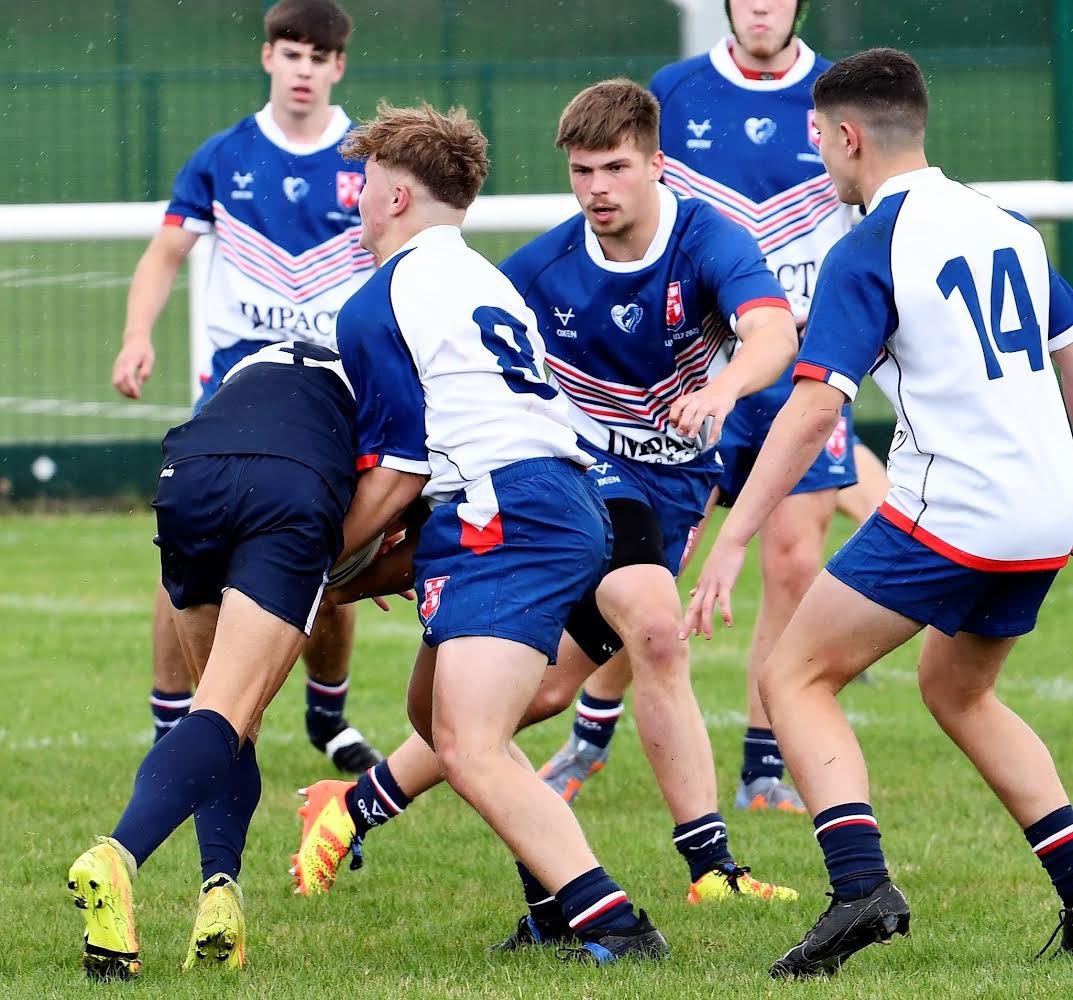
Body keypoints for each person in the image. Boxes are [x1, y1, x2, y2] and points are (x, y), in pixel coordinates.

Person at [290, 80, 800, 951]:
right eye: (581, 171)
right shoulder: (525, 268)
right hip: (576, 477)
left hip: (622, 493)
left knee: (506, 712)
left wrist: (723, 391)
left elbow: (775, 334)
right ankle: (677, 876)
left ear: (657, 165)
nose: (597, 187)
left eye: (615, 168)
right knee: (622, 643)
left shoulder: (707, 240)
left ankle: (377, 813)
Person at [684, 47, 1073, 977]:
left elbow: (814, 407)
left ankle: (859, 888)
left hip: (957, 508)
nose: (819, 156)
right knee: (957, 690)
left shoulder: (870, 245)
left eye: (820, 139)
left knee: (792, 677)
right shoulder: (1009, 226)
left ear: (848, 136)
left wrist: (733, 536)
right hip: (1044, 508)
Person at [538, 0, 889, 814]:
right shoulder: (677, 89)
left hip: (806, 358)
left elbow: (873, 209)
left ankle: (763, 765)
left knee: (793, 561)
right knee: (651, 568)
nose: (761, 4)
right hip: (692, 364)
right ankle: (591, 731)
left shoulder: (839, 94)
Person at [111, 0, 381, 771]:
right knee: (183, 550)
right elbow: (165, 253)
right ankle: (172, 725)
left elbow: (398, 266)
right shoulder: (224, 155)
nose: (303, 70)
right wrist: (136, 335)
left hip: (334, 395)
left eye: (318, 57)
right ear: (267, 58)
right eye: (290, 53)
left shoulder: (370, 161)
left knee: (335, 558)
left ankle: (327, 716)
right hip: (235, 394)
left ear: (338, 67)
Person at [68, 337, 383, 977]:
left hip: (189, 474)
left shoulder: (252, 366)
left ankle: (221, 897)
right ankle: (118, 855)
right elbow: (397, 492)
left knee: (220, 711)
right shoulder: (377, 378)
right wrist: (357, 567)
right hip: (289, 483)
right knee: (228, 714)